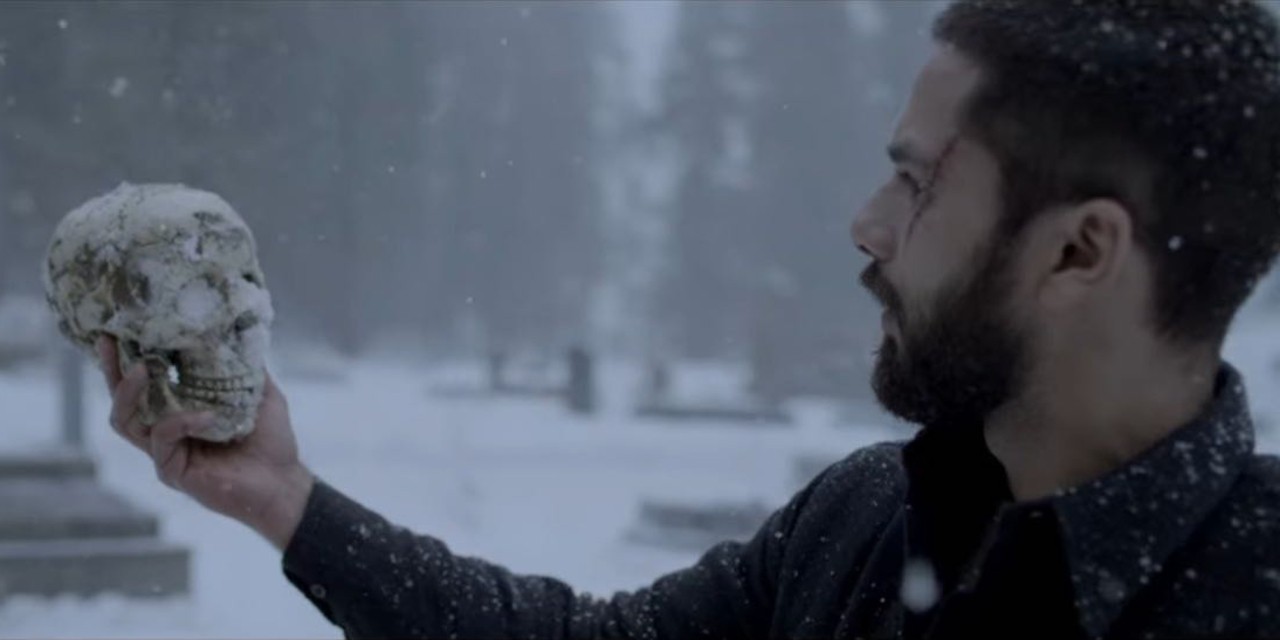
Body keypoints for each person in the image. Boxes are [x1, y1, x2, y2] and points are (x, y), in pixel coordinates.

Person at [100, 1, 1280, 638]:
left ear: (1077, 251)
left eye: (915, 184)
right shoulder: (865, 516)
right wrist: (286, 500)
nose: (865, 225)